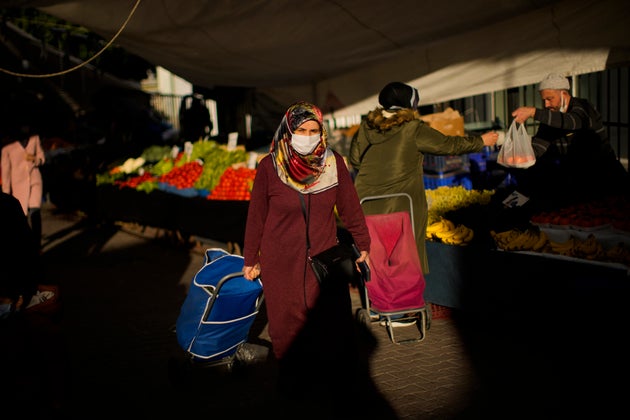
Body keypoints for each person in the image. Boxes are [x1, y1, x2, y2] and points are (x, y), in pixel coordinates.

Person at [241, 101, 372, 404]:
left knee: (329, 321)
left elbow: (350, 209)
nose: (309, 135)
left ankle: (330, 381)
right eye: (302, 130)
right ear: (289, 131)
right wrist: (251, 258)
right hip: (280, 260)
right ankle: (291, 380)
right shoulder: (269, 167)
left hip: (324, 260)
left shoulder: (333, 162)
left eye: (314, 130)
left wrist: (363, 244)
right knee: (285, 324)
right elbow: (256, 216)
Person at [349, 81, 498, 275]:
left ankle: (380, 301)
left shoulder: (366, 127)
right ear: (409, 104)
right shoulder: (412, 128)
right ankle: (407, 302)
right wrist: (480, 141)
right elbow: (446, 145)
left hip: (366, 205)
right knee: (406, 262)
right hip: (402, 205)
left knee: (376, 263)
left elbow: (355, 160)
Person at [511, 73, 629, 206]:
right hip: (576, 179)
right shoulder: (550, 118)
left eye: (550, 99)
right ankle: (509, 205)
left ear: (564, 94)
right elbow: (539, 147)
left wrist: (533, 112)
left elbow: (572, 122)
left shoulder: (583, 107)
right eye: (543, 100)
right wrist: (517, 154)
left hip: (604, 176)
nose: (546, 104)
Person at [1, 122, 46, 248]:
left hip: (35, 181)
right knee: (21, 217)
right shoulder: (7, 148)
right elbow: (6, 173)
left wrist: (35, 159)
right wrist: (6, 193)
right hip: (18, 186)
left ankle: (37, 246)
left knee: (35, 212)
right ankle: (24, 246)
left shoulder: (34, 139)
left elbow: (42, 157)